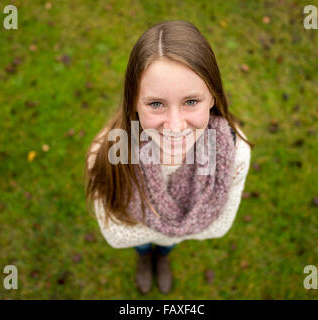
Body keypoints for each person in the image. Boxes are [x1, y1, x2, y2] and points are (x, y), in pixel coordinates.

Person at [85, 20, 253, 295]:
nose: (175, 126)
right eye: (156, 104)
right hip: (159, 232)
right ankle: (144, 256)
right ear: (134, 103)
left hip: (163, 234)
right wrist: (183, 225)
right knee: (139, 244)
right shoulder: (110, 150)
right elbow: (117, 236)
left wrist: (160, 230)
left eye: (191, 101)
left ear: (212, 97)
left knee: (166, 244)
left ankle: (161, 255)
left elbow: (219, 228)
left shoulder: (234, 152)